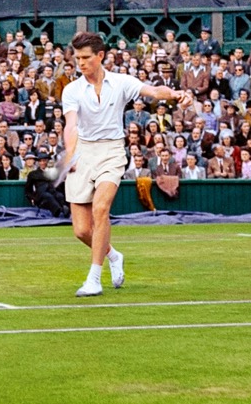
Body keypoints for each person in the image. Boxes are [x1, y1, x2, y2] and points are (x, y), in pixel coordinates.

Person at [61, 32, 193, 297]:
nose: (81, 63)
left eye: (86, 58)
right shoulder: (71, 90)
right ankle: (113, 255)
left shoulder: (121, 82)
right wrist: (71, 153)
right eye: (77, 58)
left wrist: (175, 94)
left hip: (112, 151)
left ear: (100, 56)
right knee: (81, 230)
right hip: (83, 151)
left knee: (101, 209)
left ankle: (94, 278)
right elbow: (71, 124)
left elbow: (155, 91)